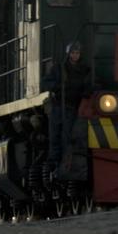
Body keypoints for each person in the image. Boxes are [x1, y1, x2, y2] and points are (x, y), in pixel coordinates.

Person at [43, 41, 92, 174]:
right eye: (73, 53)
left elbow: (89, 83)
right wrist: (58, 88)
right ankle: (54, 162)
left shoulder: (84, 69)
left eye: (77, 53)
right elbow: (47, 82)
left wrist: (86, 93)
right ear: (68, 54)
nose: (75, 55)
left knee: (68, 135)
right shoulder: (59, 68)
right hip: (59, 105)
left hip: (73, 106)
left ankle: (66, 162)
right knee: (55, 135)